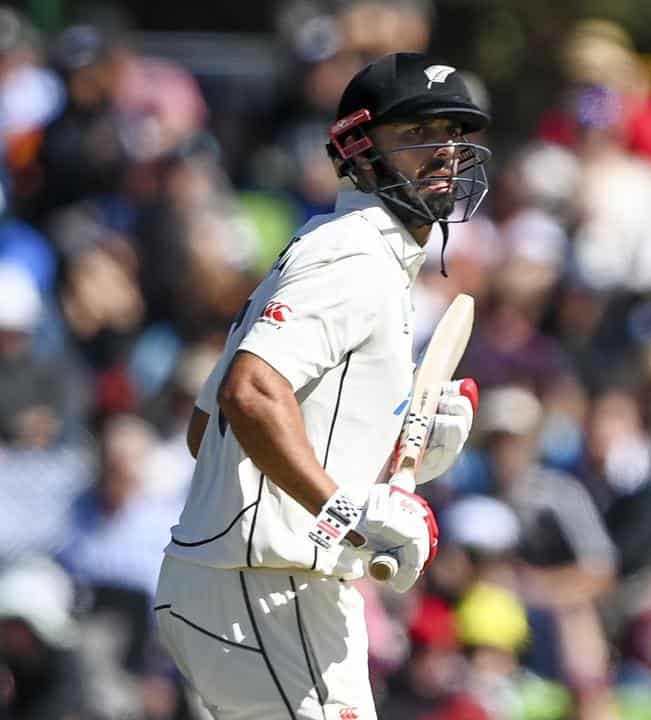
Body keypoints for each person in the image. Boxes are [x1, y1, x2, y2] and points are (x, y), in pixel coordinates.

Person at [152, 52, 492, 719]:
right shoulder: (351, 253)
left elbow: (208, 436)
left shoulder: (350, 253)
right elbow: (247, 396)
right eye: (420, 132)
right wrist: (347, 512)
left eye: (455, 133)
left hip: (278, 586)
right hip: (263, 585)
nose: (446, 152)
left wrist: (401, 454)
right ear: (358, 149)